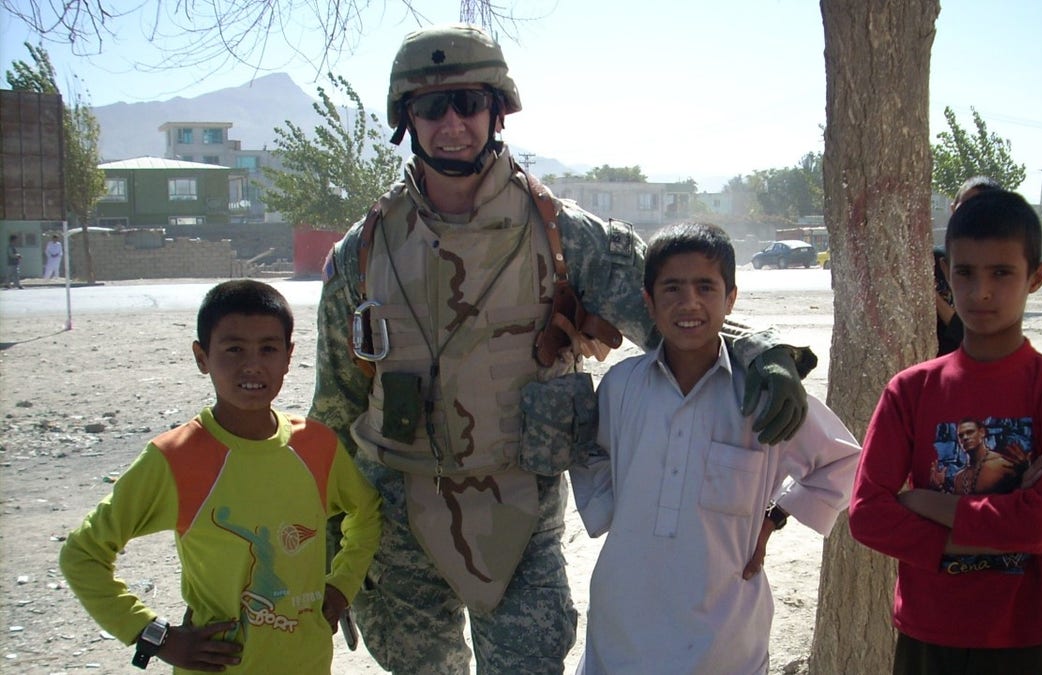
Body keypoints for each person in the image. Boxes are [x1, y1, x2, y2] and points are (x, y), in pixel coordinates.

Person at [309, 23, 811, 674]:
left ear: (497, 110)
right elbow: (334, 404)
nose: (452, 122)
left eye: (468, 102)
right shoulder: (364, 252)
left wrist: (763, 348)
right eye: (431, 106)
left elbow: (680, 315)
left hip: (518, 512)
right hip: (396, 518)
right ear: (406, 118)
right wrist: (323, 531)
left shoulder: (562, 235)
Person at [569, 222, 861, 674]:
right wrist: (616, 514)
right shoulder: (621, 386)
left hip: (723, 639)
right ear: (647, 301)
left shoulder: (763, 396)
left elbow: (844, 462)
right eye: (671, 288)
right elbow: (591, 452)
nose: (689, 303)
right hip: (623, 628)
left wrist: (776, 516)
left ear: (731, 299)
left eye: (706, 287)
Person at [60, 279, 382, 673]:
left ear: (288, 355)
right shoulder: (175, 458)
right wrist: (155, 637)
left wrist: (341, 587)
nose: (252, 365)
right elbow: (82, 555)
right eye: (233, 350)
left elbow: (366, 515)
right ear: (202, 357)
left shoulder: (316, 445)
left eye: (268, 348)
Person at [848, 190, 1042, 674]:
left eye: (1001, 273)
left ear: (1036, 277)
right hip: (927, 635)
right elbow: (868, 517)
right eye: (965, 273)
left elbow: (1037, 527)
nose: (981, 292)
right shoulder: (911, 391)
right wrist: (1006, 523)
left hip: (1021, 636)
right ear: (947, 274)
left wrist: (921, 503)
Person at [936, 177, 1001, 356]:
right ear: (952, 209)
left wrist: (933, 297)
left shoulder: (1002, 269)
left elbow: (970, 333)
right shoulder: (932, 260)